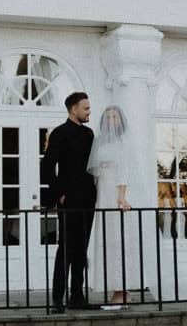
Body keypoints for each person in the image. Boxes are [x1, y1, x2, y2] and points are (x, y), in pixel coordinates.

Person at [41, 91, 97, 313]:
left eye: (89, 108)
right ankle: (57, 298)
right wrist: (59, 194)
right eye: (85, 108)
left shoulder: (90, 134)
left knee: (81, 249)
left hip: (88, 199)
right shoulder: (59, 134)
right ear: (73, 109)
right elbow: (47, 167)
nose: (88, 112)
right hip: (69, 199)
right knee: (65, 248)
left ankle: (77, 297)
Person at [88, 105, 136, 306]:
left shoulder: (123, 143)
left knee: (118, 240)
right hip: (103, 192)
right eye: (107, 116)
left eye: (114, 116)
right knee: (105, 239)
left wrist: (122, 196)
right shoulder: (99, 143)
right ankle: (113, 287)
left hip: (116, 192)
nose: (110, 120)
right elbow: (95, 171)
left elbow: (125, 169)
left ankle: (121, 288)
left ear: (120, 120)